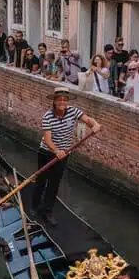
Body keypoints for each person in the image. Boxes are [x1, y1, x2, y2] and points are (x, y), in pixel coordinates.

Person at [31, 87, 101, 225]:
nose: (62, 102)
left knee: (54, 183)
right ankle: (35, 206)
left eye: (65, 99)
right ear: (54, 101)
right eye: (59, 99)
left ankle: (47, 211)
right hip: (47, 152)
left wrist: (95, 124)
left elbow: (87, 119)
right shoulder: (47, 116)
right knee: (41, 180)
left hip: (64, 155)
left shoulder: (73, 111)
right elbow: (47, 139)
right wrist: (57, 151)